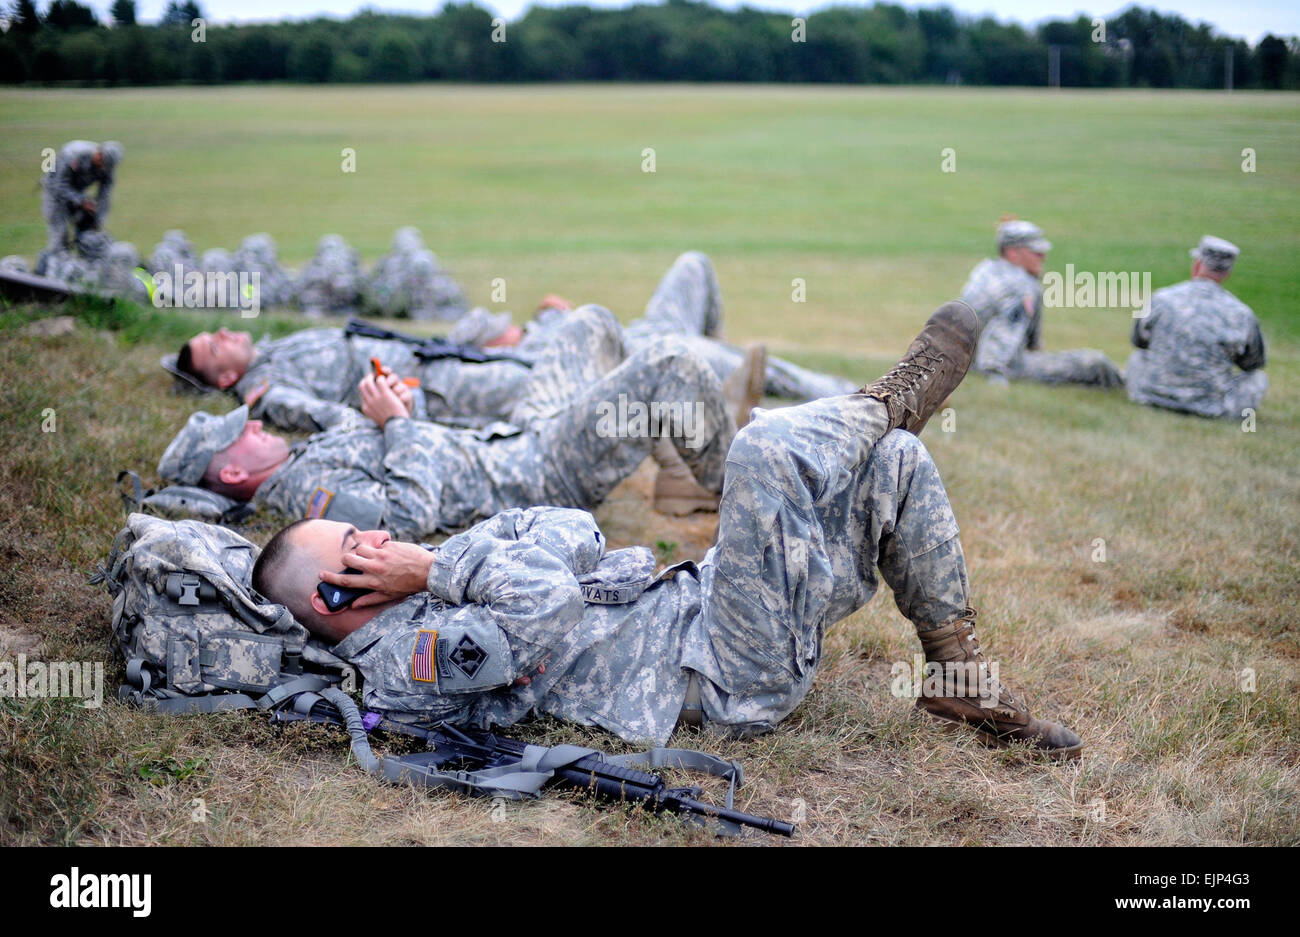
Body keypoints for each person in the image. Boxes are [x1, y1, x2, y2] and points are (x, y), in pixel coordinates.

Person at [252, 302, 1084, 758]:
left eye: (359, 534)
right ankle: (885, 398)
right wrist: (437, 565)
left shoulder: (435, 588)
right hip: (725, 673)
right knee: (760, 449)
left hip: (712, 605)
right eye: (350, 551)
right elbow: (544, 606)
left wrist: (461, 562)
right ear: (331, 597)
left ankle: (962, 678)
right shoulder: (406, 660)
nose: (373, 542)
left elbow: (570, 527)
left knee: (896, 462)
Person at [158, 307, 750, 538]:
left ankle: (671, 437)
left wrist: (389, 402)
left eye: (252, 422)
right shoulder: (308, 498)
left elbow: (347, 419)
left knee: (589, 322)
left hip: (521, 434)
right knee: (670, 364)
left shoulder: (298, 455)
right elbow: (407, 520)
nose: (259, 427)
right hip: (541, 475)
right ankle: (733, 484)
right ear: (234, 470)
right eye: (246, 434)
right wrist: (397, 427)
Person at [459, 251, 859, 403]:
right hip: (648, 354)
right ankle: (856, 398)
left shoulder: (536, 330)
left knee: (693, 265)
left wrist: (549, 309)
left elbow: (555, 306)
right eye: (502, 329)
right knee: (756, 368)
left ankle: (714, 389)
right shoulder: (524, 361)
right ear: (492, 347)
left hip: (649, 329)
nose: (512, 326)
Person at [961, 220, 1123, 388]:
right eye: (1036, 252)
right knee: (1095, 363)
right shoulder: (1022, 286)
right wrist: (995, 375)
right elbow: (1001, 341)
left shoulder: (985, 269)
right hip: (995, 363)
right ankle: (1123, 383)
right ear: (1013, 253)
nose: (1043, 256)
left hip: (966, 358)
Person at [1126, 236, 1267, 419]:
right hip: (1210, 406)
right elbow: (1252, 363)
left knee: (1138, 357)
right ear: (1227, 273)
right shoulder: (1241, 313)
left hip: (1151, 396)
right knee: (1257, 379)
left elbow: (1138, 341)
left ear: (1197, 264)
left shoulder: (1162, 298)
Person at [36, 140, 124, 276]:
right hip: (55, 192)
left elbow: (104, 197)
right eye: (102, 163)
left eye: (106, 167)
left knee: (88, 228)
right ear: (99, 153)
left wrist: (98, 220)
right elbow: (57, 185)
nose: (102, 168)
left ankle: (82, 268)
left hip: (77, 191)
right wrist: (81, 201)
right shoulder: (74, 154)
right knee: (60, 235)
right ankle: (53, 272)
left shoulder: (107, 168)